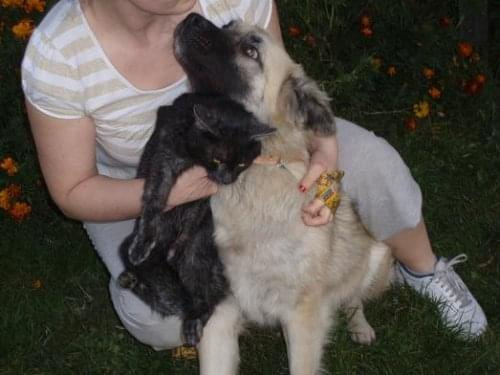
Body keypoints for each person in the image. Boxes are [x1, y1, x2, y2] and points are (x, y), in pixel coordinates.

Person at [21, 0, 487, 350]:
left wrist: (324, 162)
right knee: (159, 319)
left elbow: (282, 91)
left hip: (256, 145)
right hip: (135, 181)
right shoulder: (60, 56)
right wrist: (173, 191)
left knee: (377, 167)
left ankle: (423, 271)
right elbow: (73, 191)